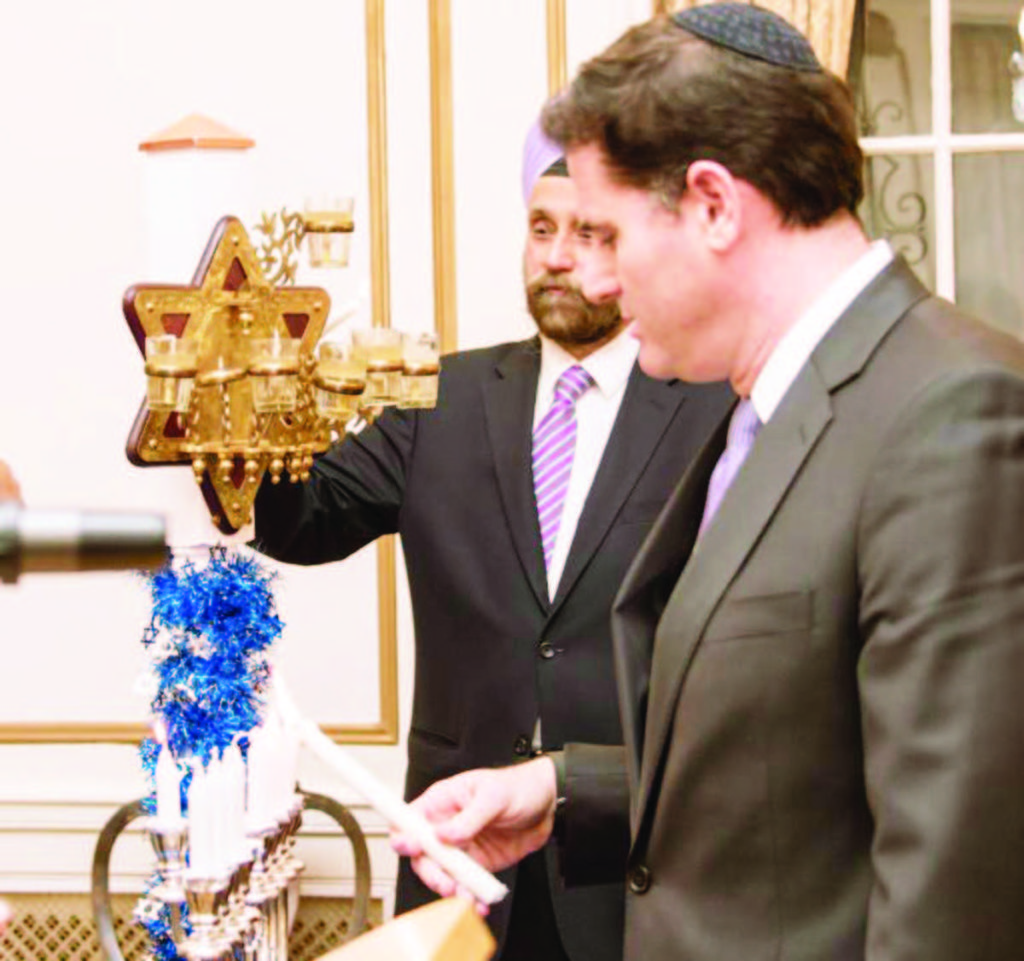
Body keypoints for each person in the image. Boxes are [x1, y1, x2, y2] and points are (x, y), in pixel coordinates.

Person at [392, 6, 1024, 960]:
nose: (596, 283)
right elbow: (789, 765)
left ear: (715, 205)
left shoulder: (951, 414)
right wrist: (559, 788)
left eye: (609, 234)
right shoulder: (759, 410)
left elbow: (953, 894)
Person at [251, 121, 732, 961]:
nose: (556, 255)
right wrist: (251, 396)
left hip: (634, 871)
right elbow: (300, 520)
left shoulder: (708, 408)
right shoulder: (440, 395)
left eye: (589, 234)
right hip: (459, 862)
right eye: (542, 229)